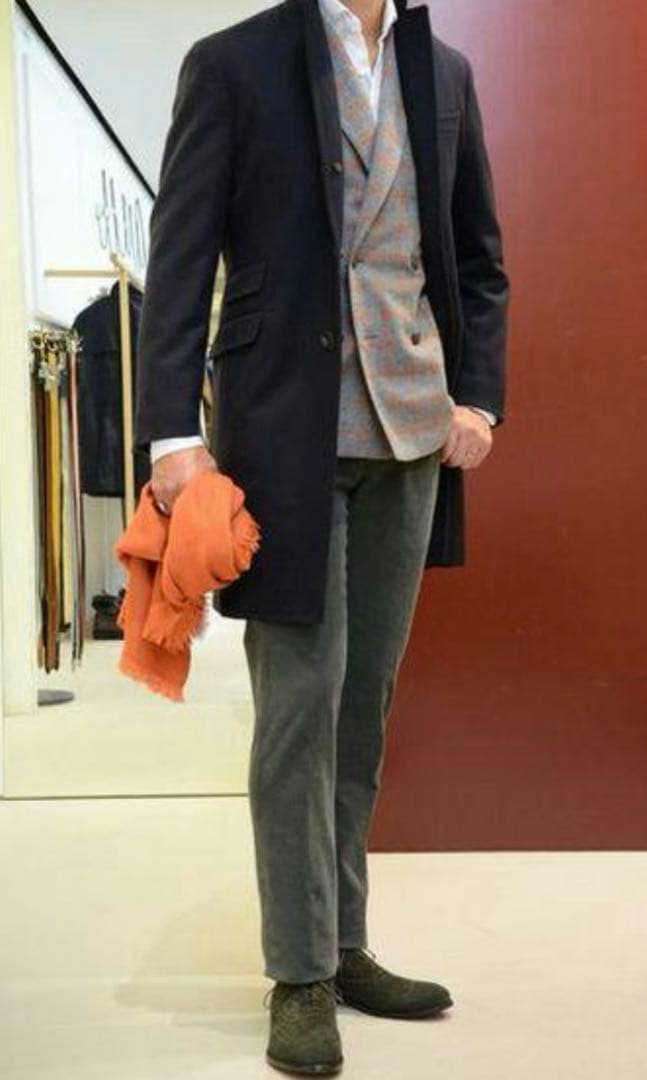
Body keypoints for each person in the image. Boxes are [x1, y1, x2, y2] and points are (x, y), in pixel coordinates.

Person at [134, 0, 509, 1073]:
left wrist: (478, 399)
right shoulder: (232, 63)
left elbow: (477, 260)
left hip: (409, 433)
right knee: (300, 702)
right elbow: (181, 251)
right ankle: (297, 972)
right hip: (281, 430)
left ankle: (343, 945)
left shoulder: (443, 70)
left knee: (361, 705)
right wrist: (171, 431)